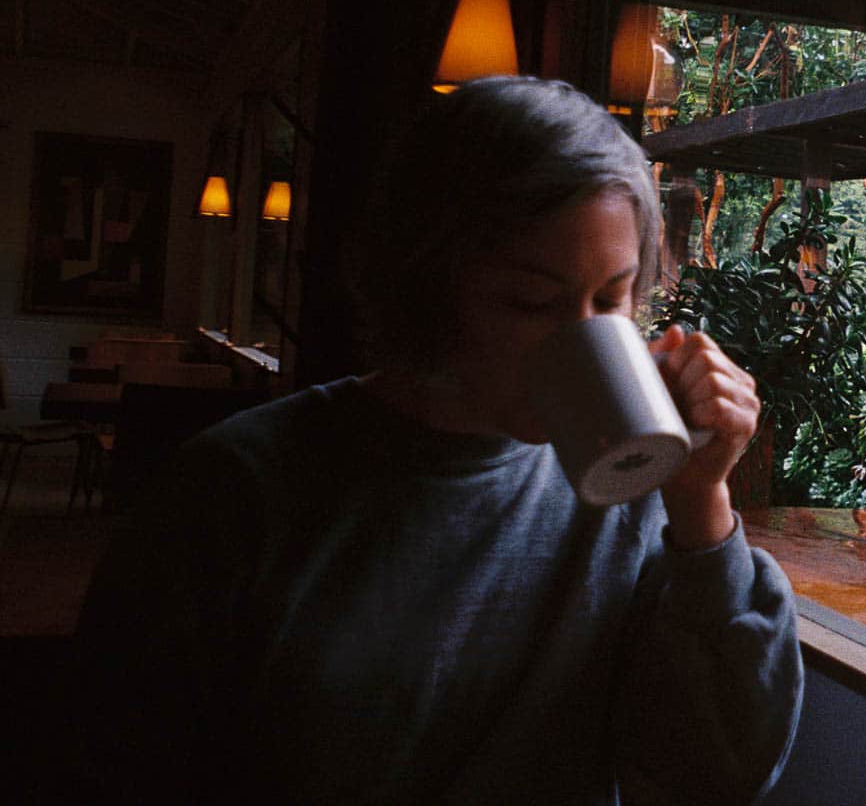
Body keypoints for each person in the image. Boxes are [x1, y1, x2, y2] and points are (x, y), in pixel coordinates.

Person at [74, 77, 803, 803]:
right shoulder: (236, 493)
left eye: (611, 298)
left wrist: (703, 500)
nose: (584, 339)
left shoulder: (635, 493)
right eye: (531, 301)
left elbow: (721, 774)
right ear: (425, 286)